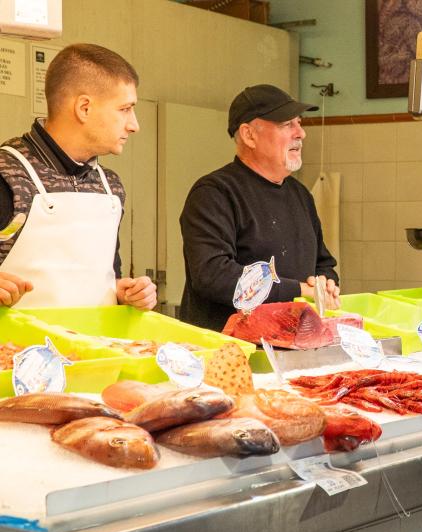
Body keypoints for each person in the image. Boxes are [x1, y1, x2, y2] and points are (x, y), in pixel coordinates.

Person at [0, 44, 156, 310]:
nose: (134, 125)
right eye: (124, 109)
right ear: (84, 108)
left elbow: (106, 277)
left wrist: (123, 292)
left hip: (92, 349)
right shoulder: (6, 173)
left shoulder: (110, 187)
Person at [179, 84, 340, 331]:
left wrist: (325, 283)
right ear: (249, 135)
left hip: (293, 343)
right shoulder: (215, 193)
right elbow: (214, 276)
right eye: (287, 124)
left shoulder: (300, 195)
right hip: (230, 350)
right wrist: (298, 289)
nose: (301, 133)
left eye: (299, 122)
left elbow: (323, 263)